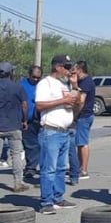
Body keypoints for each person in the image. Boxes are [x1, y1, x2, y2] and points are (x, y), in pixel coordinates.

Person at [35, 54, 80, 214]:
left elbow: (75, 104)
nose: (69, 71)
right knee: (49, 168)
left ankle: (58, 197)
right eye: (66, 67)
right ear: (57, 67)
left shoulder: (64, 84)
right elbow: (39, 105)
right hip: (50, 130)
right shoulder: (45, 83)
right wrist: (62, 102)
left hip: (64, 131)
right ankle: (46, 201)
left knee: (61, 167)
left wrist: (75, 87)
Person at [0, 62, 29, 192]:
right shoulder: (17, 87)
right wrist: (25, 120)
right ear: (10, 73)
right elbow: (24, 105)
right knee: (16, 154)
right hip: (13, 125)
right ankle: (18, 183)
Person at [69, 61, 94, 182]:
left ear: (80, 70)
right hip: (84, 116)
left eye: (74, 70)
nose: (72, 72)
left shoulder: (86, 82)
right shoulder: (82, 81)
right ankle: (79, 167)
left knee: (82, 143)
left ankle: (83, 170)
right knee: (79, 142)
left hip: (84, 116)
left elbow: (81, 101)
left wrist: (75, 114)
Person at [20, 65, 42, 181]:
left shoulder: (42, 85)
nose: (36, 79)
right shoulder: (22, 85)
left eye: (38, 77)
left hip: (40, 118)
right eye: (34, 77)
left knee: (41, 144)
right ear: (29, 75)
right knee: (30, 144)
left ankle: (41, 166)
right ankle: (31, 168)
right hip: (26, 119)